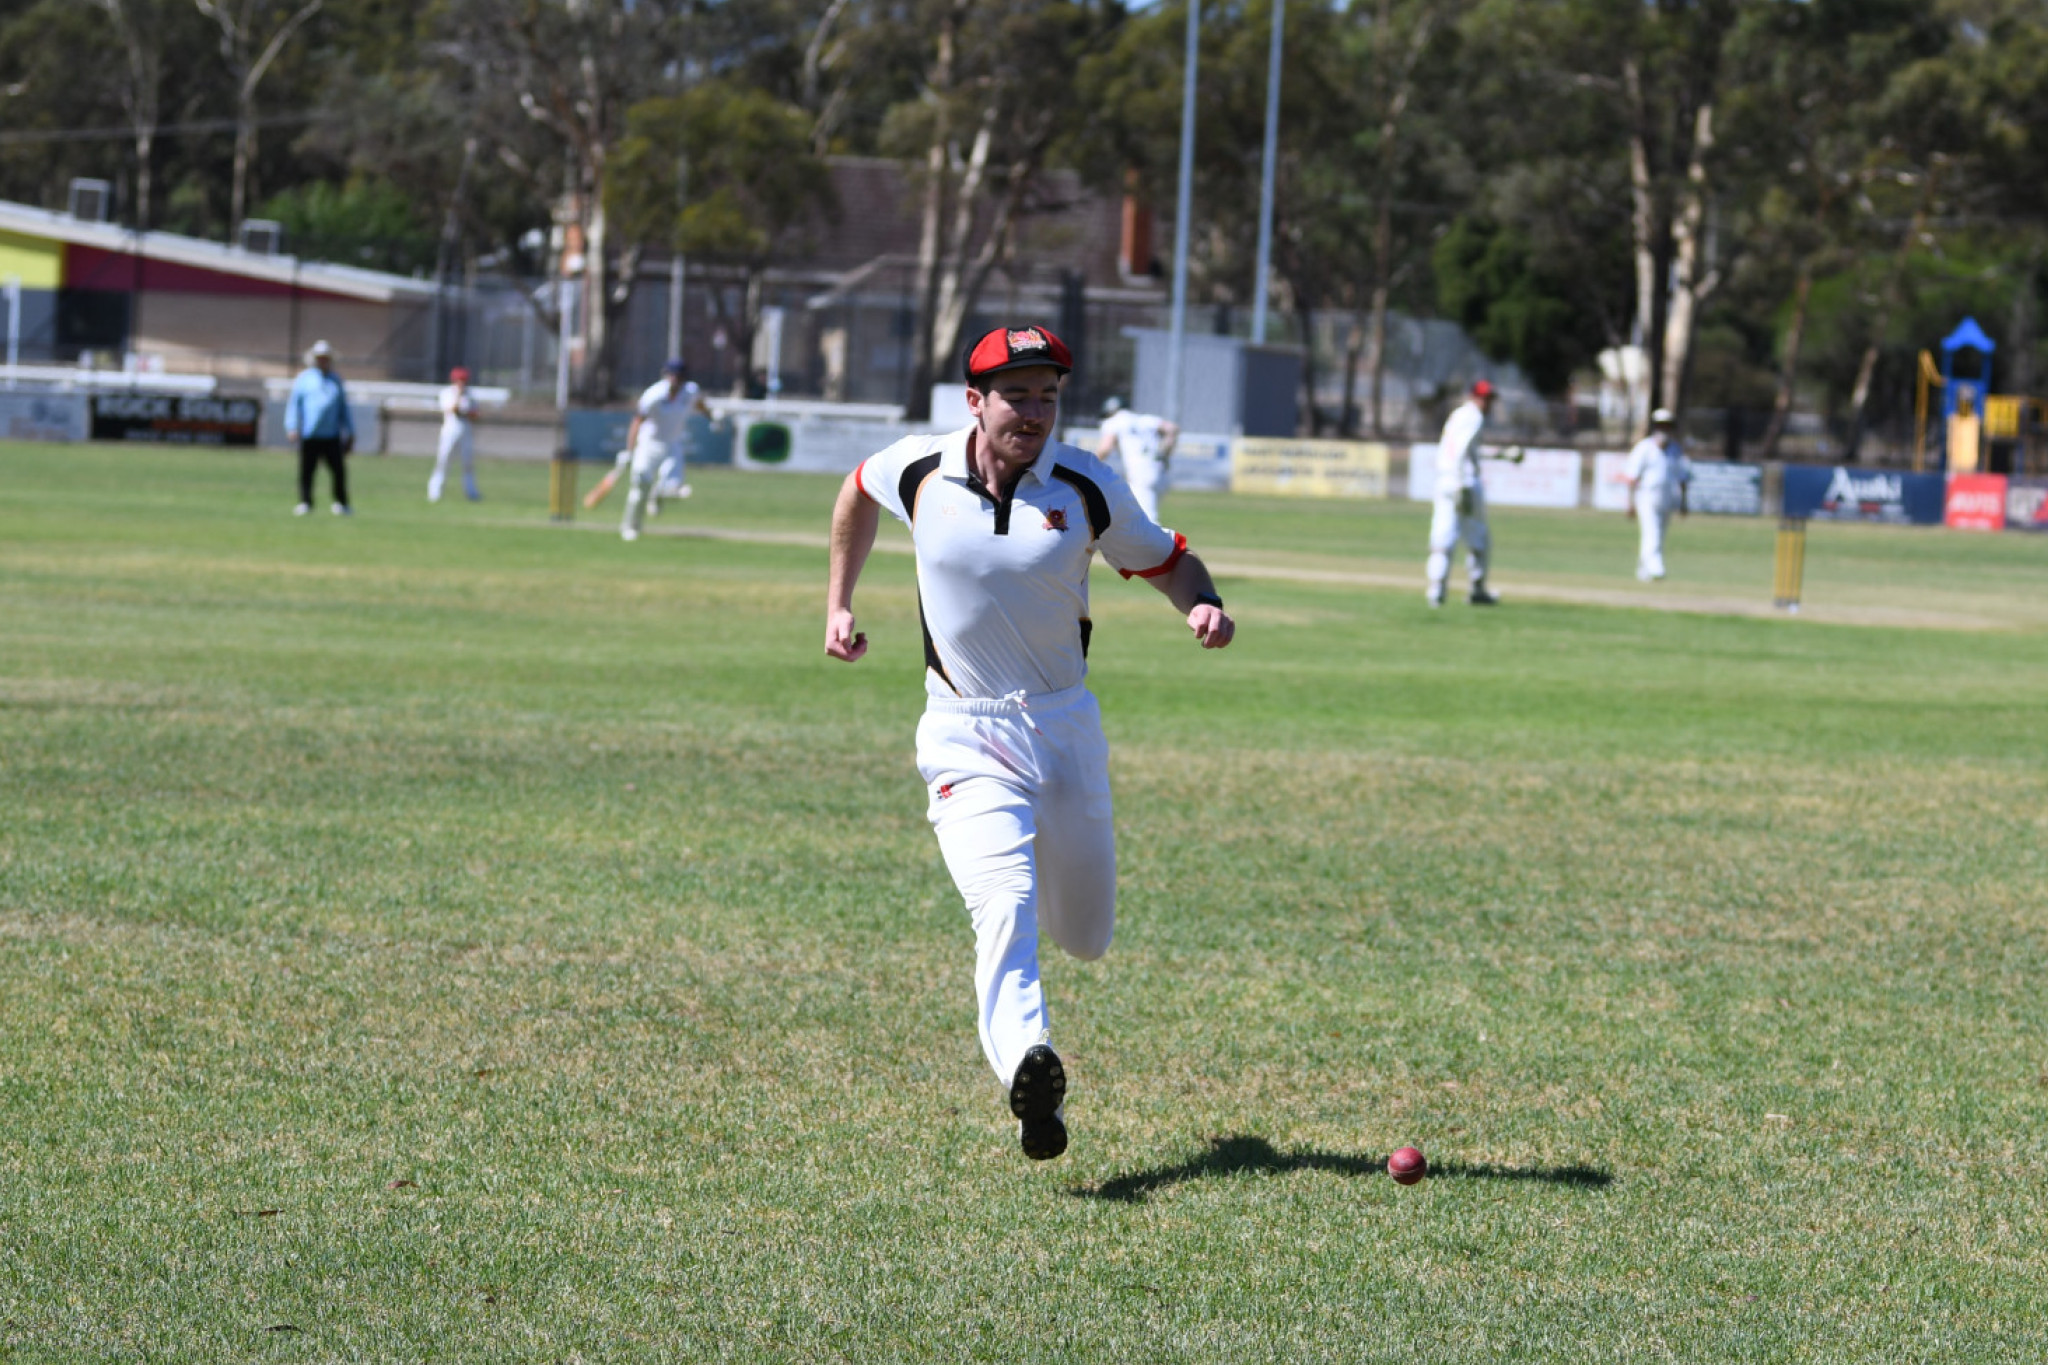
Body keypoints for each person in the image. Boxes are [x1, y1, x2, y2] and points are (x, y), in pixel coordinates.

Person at [825, 324, 1236, 1163]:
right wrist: (838, 600)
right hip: (963, 733)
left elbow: (1169, 561)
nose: (1036, 411)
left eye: (1049, 395)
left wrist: (1203, 603)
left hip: (1063, 729)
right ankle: (1029, 1071)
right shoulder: (919, 468)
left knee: (1085, 936)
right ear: (974, 402)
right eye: (1017, 394)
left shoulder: (1087, 485)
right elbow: (856, 493)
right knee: (1002, 906)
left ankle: (1044, 1009)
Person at [583, 358, 711, 540]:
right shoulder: (653, 395)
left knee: (674, 488)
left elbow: (700, 404)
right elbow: (637, 421)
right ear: (666, 375)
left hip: (673, 444)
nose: (674, 379)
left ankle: (658, 493)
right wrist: (629, 450)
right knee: (639, 487)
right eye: (671, 375)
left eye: (678, 375)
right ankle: (631, 526)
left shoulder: (690, 391)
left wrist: (711, 417)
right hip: (649, 445)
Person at [1425, 378, 1509, 607]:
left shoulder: (1458, 415)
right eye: (1485, 397)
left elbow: (1465, 452)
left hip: (1444, 482)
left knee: (1442, 537)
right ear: (1474, 396)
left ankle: (1436, 592)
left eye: (1490, 398)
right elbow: (1461, 452)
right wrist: (1462, 483)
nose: (1488, 402)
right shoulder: (1474, 417)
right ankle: (1477, 590)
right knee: (1478, 538)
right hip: (1464, 483)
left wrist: (1501, 454)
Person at [284, 340, 355, 516]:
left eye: (325, 358)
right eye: (319, 358)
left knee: (338, 471)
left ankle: (341, 503)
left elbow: (343, 408)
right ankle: (306, 502)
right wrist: (292, 426)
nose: (322, 361)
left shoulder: (336, 380)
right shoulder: (304, 379)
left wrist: (351, 431)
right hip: (310, 434)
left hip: (331, 434)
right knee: (307, 471)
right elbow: (294, 404)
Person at [1623, 408, 1690, 581]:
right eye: (1661, 426)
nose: (1664, 430)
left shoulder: (1675, 450)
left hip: (1667, 498)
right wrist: (1630, 502)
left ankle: (1644, 571)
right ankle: (1656, 569)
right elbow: (1632, 477)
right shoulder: (1644, 448)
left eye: (1667, 426)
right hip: (1647, 497)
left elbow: (1682, 478)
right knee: (1651, 533)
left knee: (1659, 535)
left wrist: (1683, 502)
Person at [1093, 395, 1178, 523]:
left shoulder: (1114, 421)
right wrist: (1165, 451)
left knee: (1148, 521)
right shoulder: (1144, 419)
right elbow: (1172, 428)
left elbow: (1105, 448)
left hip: (1141, 473)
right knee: (1131, 516)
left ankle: (1163, 542)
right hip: (1161, 472)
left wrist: (1089, 464)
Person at [428, 367, 481, 503]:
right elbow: (451, 409)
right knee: (444, 460)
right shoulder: (447, 393)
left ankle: (471, 492)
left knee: (467, 463)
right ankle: (435, 492)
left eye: (464, 381)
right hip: (450, 430)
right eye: (459, 381)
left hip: (466, 430)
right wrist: (458, 396)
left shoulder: (470, 395)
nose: (462, 384)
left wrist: (470, 411)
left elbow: (475, 415)